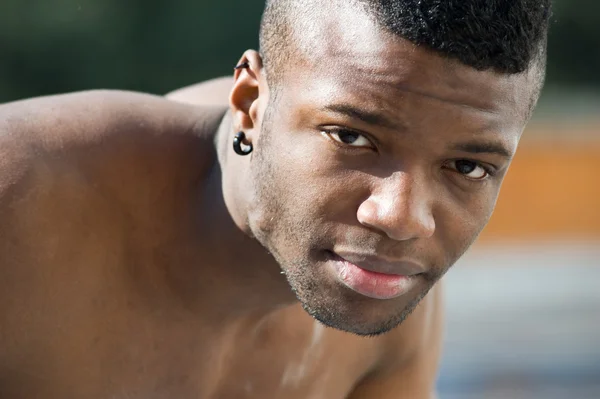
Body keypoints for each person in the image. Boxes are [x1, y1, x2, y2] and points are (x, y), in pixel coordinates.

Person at [0, 0, 551, 397]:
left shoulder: (383, 289)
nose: (402, 217)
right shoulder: (21, 210)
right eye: (352, 137)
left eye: (467, 166)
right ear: (251, 103)